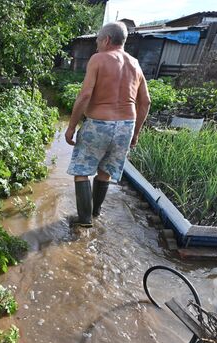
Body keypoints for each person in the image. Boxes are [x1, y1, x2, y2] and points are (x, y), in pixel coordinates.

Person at [65, 22, 151, 227]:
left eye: (97, 41)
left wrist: (71, 127)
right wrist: (136, 133)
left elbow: (85, 94)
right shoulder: (135, 63)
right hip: (126, 127)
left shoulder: (99, 59)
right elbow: (146, 101)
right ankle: (95, 213)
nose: (96, 45)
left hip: (99, 124)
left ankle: (84, 220)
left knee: (82, 170)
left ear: (106, 40)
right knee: (105, 171)